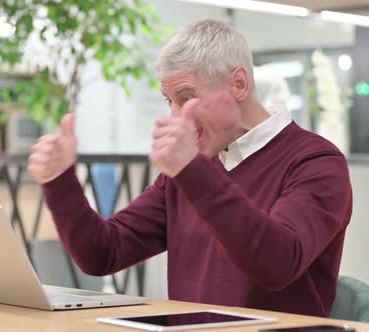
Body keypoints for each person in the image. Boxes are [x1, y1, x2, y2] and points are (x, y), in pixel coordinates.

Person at [27, 19, 352, 317]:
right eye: (169, 101)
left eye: (185, 97)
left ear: (238, 84)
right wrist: (60, 182)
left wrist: (191, 170)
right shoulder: (191, 172)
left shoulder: (316, 162)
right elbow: (104, 253)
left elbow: (276, 265)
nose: (175, 116)